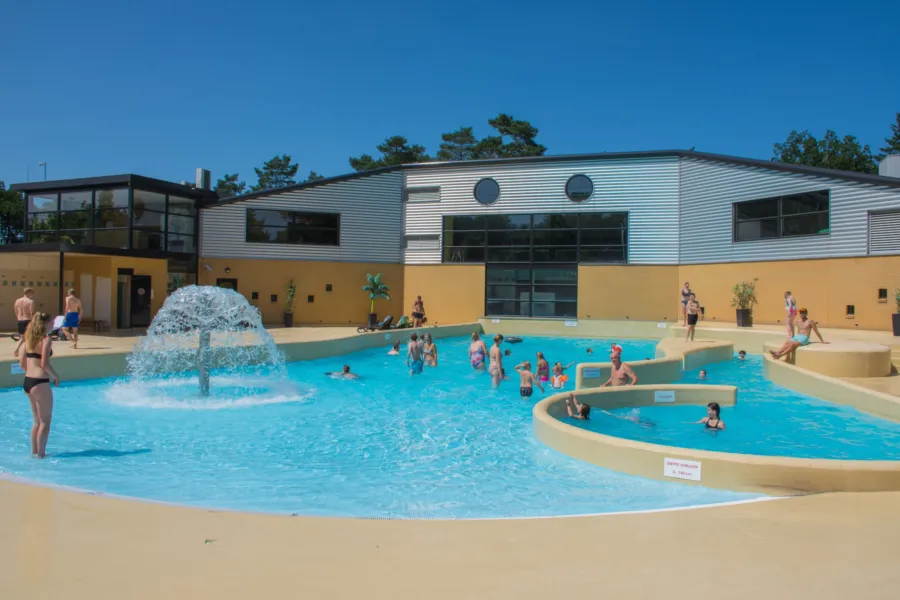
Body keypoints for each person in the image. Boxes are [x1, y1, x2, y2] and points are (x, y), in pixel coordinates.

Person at [19, 313, 59, 458]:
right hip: (40, 382)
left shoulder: (27, 340)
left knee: (36, 421)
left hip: (28, 381)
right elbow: (44, 364)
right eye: (52, 322)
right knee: (45, 421)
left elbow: (22, 363)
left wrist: (32, 372)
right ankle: (41, 455)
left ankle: (34, 453)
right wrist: (55, 376)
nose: (53, 325)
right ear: (45, 324)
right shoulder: (46, 339)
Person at [13, 287, 35, 357]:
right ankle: (21, 351)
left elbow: (16, 311)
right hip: (27, 320)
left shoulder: (17, 301)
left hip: (20, 321)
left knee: (23, 338)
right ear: (28, 292)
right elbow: (32, 313)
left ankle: (18, 350)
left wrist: (18, 318)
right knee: (28, 338)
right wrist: (34, 322)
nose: (32, 295)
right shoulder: (30, 301)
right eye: (32, 293)